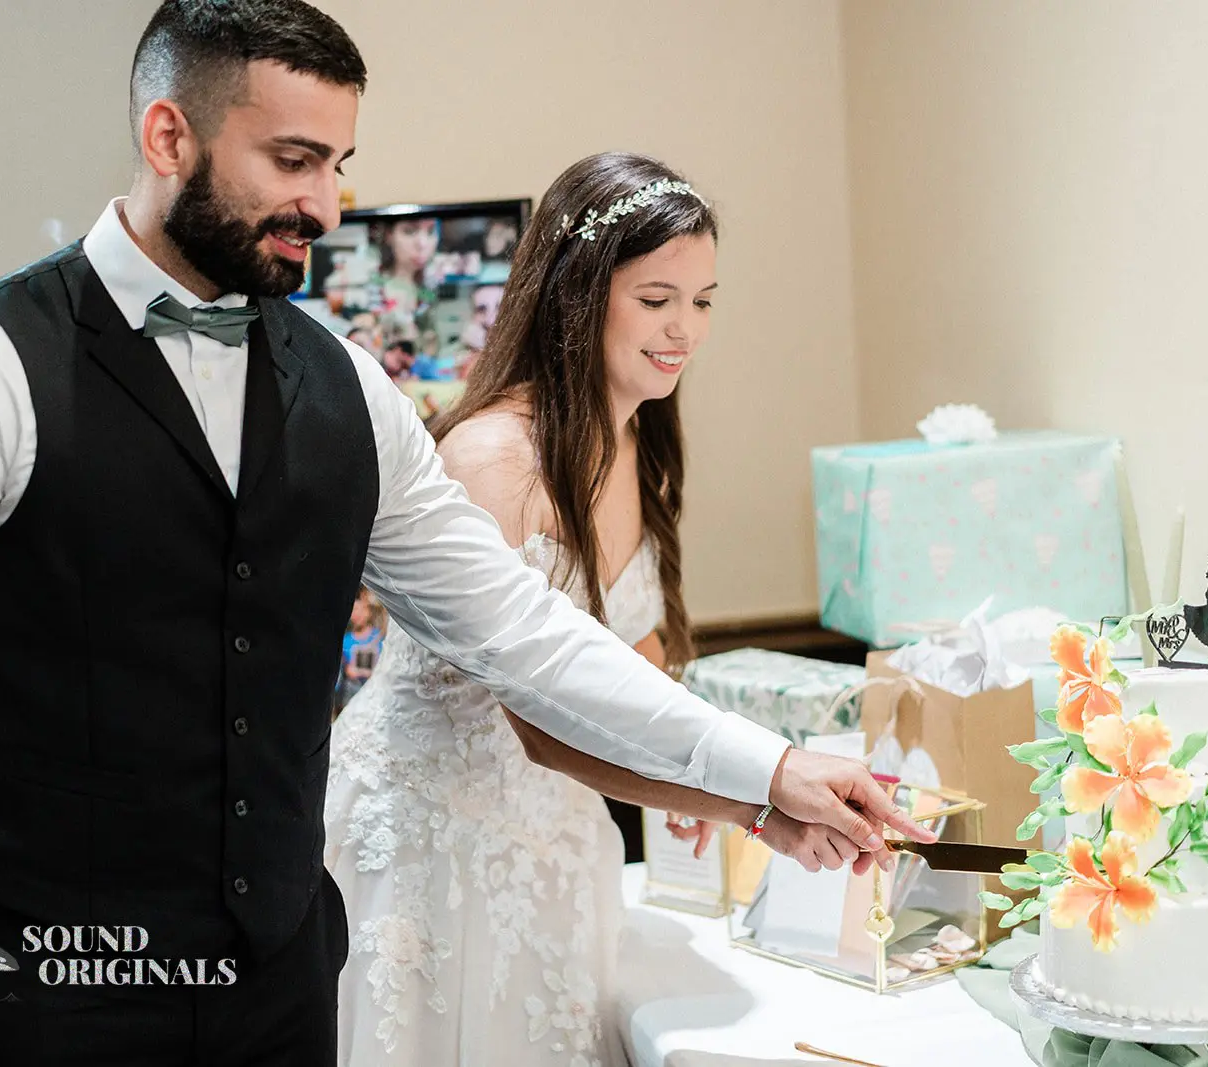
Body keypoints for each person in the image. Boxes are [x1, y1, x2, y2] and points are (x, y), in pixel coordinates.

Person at [0, 4, 926, 1067]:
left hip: (280, 991)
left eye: (338, 163)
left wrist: (767, 773)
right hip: (46, 992)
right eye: (293, 161)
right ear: (169, 137)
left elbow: (521, 630)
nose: (327, 205)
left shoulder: (349, 390)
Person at [324, 152, 902, 1067]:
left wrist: (701, 773)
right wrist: (744, 798)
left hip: (558, 836)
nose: (685, 329)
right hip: (434, 844)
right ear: (579, 297)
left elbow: (633, 650)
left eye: (703, 300)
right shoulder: (493, 461)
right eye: (657, 298)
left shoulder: (636, 441)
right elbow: (545, 722)